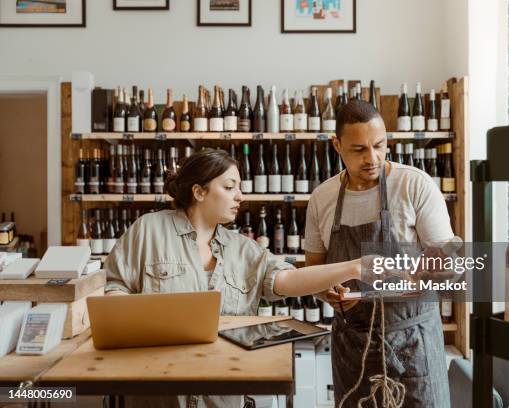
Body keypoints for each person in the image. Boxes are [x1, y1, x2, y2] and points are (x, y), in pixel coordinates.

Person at [104, 148, 366, 408]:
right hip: (157, 392)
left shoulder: (244, 249)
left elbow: (287, 280)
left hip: (222, 393)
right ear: (199, 192)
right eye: (229, 187)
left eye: (239, 187)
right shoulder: (149, 230)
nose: (239, 196)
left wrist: (354, 267)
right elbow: (116, 288)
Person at [304, 100, 454, 407]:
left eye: (379, 145)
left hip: (414, 343)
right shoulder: (323, 197)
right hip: (352, 345)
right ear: (337, 145)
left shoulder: (414, 185)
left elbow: (448, 264)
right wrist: (326, 291)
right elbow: (313, 270)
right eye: (359, 149)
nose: (371, 158)